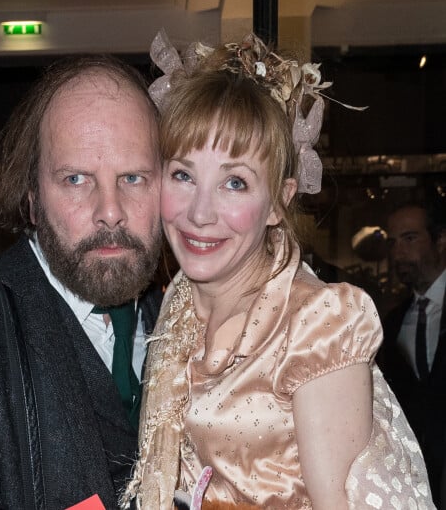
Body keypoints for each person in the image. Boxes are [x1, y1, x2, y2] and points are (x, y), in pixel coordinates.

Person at [123, 31, 434, 509]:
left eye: (234, 182)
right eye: (183, 175)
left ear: (279, 201)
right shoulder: (179, 301)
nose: (200, 212)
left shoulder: (318, 321)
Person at [0, 56, 164, 509]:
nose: (110, 210)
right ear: (33, 199)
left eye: (133, 178)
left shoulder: (184, 318)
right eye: (76, 179)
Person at [377, 201, 446, 507]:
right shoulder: (391, 324)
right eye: (392, 242)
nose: (398, 252)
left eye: (409, 238)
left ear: (440, 240)